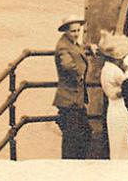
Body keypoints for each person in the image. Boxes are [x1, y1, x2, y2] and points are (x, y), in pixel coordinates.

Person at [53, 15, 94, 159]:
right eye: (73, 31)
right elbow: (66, 64)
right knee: (72, 139)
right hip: (69, 99)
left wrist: (90, 47)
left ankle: (76, 163)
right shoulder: (63, 46)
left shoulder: (73, 43)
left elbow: (79, 49)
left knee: (84, 133)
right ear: (65, 31)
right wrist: (79, 75)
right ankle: (70, 167)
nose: (76, 34)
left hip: (76, 99)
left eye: (78, 30)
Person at [99, 32, 128, 159]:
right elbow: (127, 86)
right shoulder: (114, 71)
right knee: (122, 140)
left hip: (116, 107)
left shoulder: (108, 68)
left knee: (118, 141)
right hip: (119, 107)